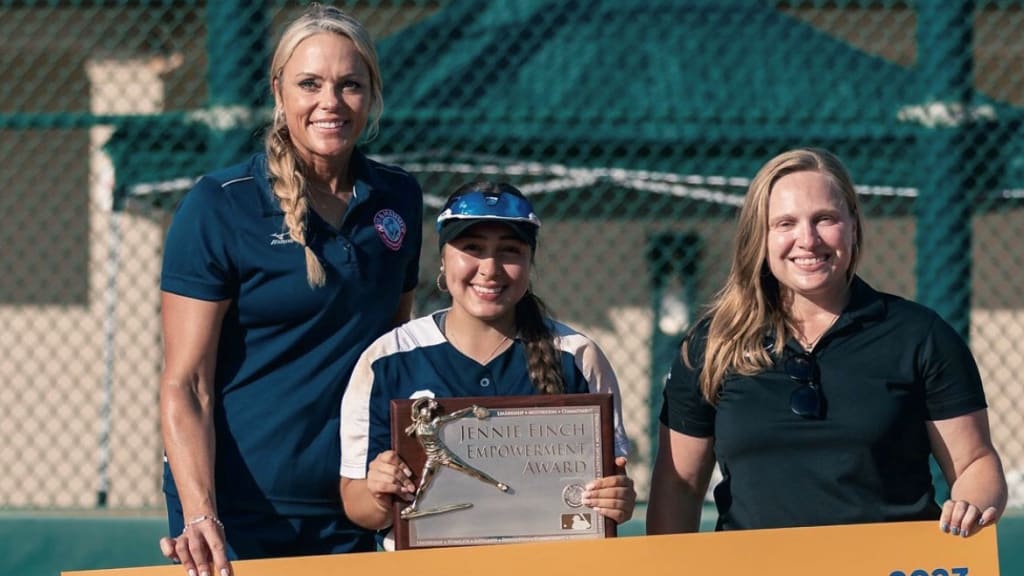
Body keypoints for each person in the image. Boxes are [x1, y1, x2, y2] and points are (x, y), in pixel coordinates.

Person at [157, 4, 422, 575]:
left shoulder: (399, 199)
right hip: (235, 512)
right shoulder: (218, 204)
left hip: (355, 506)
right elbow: (187, 383)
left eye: (350, 84)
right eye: (310, 84)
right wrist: (201, 514)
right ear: (279, 92)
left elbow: (395, 353)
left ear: (371, 94)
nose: (330, 102)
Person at [647, 147, 1007, 538]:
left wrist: (972, 504)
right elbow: (677, 487)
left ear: (853, 224)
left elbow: (975, 463)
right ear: (759, 237)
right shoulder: (712, 344)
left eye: (825, 219)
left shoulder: (921, 335)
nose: (807, 239)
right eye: (785, 223)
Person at [338, 181, 635, 547]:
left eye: (509, 251)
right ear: (443, 259)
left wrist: (617, 499)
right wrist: (379, 491)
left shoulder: (576, 355)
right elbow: (357, 505)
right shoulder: (388, 358)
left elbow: (612, 496)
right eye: (472, 248)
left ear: (530, 263)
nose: (490, 268)